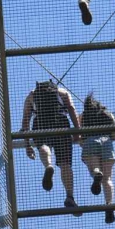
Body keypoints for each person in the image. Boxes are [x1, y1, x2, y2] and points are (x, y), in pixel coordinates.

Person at [20, 79, 81, 209]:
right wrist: (77, 131)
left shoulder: (31, 95)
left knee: (43, 145)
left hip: (40, 122)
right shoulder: (62, 92)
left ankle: (48, 165)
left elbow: (26, 120)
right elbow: (71, 108)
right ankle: (69, 196)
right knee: (65, 163)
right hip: (61, 123)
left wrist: (27, 145)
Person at [79, 93, 115, 223]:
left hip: (90, 141)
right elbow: (114, 131)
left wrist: (83, 143)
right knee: (108, 178)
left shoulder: (83, 116)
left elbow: (80, 136)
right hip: (106, 141)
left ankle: (96, 173)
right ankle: (109, 204)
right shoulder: (107, 114)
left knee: (95, 167)